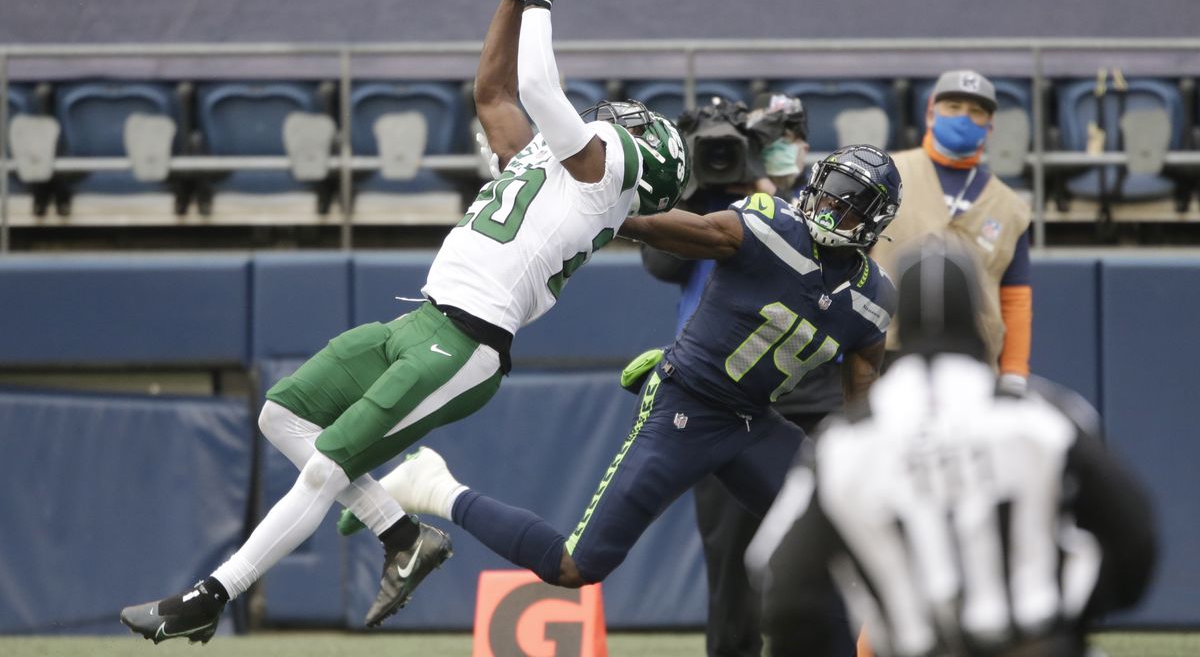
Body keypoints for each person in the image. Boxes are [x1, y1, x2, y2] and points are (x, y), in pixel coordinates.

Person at [118, 0, 691, 644]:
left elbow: (540, 87)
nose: (614, 120)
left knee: (326, 469)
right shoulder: (559, 164)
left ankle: (210, 596)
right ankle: (402, 535)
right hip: (422, 321)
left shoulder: (605, 179)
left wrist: (542, 0)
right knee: (281, 416)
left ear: (642, 160)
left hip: (465, 343)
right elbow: (494, 94)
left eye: (632, 125)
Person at [356, 144, 903, 655]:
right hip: (688, 405)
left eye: (849, 205)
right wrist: (587, 204)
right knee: (575, 567)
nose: (830, 208)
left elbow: (862, 406)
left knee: (847, 540)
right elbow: (674, 231)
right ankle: (436, 487)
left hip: (753, 422)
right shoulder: (769, 225)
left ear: (874, 222)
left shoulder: (874, 296)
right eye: (829, 192)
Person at [746, 236, 1158, 657]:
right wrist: (1074, 617)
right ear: (977, 315)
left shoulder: (843, 444)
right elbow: (1135, 534)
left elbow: (780, 579)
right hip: (1038, 643)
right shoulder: (1045, 417)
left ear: (899, 318)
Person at [644, 93, 839, 657]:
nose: (726, 155)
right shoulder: (700, 209)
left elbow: (823, 261)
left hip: (813, 392)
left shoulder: (817, 203)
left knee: (823, 553)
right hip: (723, 397)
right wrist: (691, 186)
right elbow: (662, 262)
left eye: (783, 139)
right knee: (730, 562)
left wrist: (763, 187)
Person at [869, 69, 1033, 387]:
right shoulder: (885, 173)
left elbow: (1015, 298)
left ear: (990, 125)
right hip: (883, 355)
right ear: (931, 113)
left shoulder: (1011, 207)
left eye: (976, 111)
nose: (963, 118)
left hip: (974, 364)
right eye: (953, 107)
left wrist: (1014, 371)